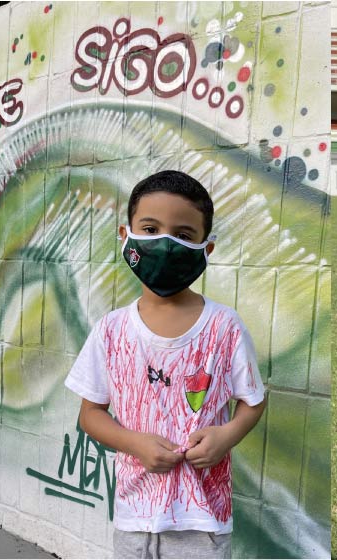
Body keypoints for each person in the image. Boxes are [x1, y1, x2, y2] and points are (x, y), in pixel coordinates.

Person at [65, 170, 266, 559]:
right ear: (127, 237)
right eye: (151, 228)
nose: (166, 243)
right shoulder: (111, 330)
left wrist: (228, 436)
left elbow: (252, 402)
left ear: (205, 250)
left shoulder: (225, 327)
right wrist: (134, 443)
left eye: (183, 235)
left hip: (204, 521)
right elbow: (90, 414)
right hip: (134, 517)